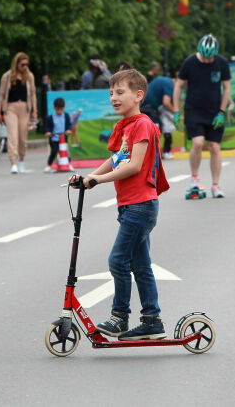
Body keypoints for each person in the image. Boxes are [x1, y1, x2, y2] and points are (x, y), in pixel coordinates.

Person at [71, 68, 169, 341]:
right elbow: (116, 160)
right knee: (141, 266)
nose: (114, 97)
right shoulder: (125, 127)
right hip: (131, 206)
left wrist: (98, 182)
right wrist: (89, 176)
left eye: (120, 92)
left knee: (117, 260)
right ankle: (151, 319)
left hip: (141, 205)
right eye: (111, 93)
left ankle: (119, 318)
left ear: (138, 96)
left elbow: (134, 165)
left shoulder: (142, 125)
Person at [172, 34, 231, 198]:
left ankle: (215, 184)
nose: (206, 60)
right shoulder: (190, 62)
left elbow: (226, 88)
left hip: (214, 111)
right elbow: (179, 87)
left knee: (214, 147)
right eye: (204, 56)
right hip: (193, 110)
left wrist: (222, 112)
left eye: (210, 56)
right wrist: (176, 111)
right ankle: (195, 178)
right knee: (197, 143)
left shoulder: (221, 63)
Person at [0, 52, 38, 174]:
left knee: (22, 137)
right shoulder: (7, 76)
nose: (25, 66)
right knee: (12, 135)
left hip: (24, 108)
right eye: (22, 64)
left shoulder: (29, 76)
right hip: (10, 108)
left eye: (26, 64)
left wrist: (35, 111)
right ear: (17, 64)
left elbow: (33, 94)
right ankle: (13, 162)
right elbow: (2, 94)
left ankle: (21, 160)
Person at [144, 66, 175, 158]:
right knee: (156, 128)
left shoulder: (164, 80)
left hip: (146, 105)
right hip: (148, 106)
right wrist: (176, 112)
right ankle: (150, 154)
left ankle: (148, 153)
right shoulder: (170, 84)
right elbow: (166, 102)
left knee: (148, 128)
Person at [44, 97, 72, 173]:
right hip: (54, 138)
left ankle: (68, 164)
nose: (59, 111)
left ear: (64, 108)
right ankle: (49, 165)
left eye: (61, 109)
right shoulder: (50, 117)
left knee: (66, 152)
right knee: (54, 151)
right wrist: (48, 132)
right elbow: (47, 127)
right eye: (57, 110)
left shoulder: (66, 116)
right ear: (54, 108)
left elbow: (69, 125)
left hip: (63, 138)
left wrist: (68, 130)